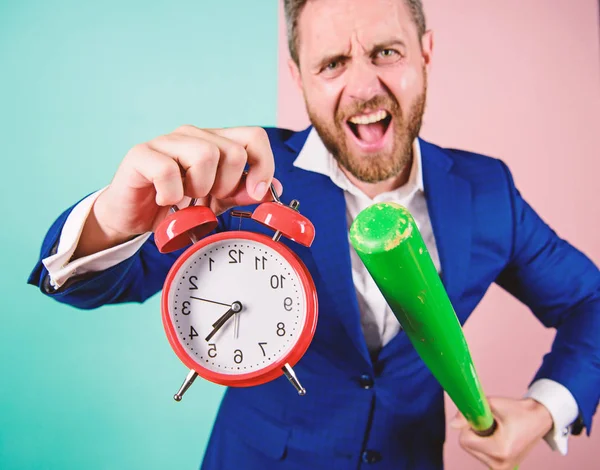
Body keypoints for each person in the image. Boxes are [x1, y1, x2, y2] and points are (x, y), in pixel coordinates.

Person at [28, 0, 600, 469]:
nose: (363, 88)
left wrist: (546, 407)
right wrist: (116, 216)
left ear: (426, 53)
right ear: (298, 75)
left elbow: (590, 301)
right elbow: (94, 284)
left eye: (386, 52)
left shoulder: (486, 190)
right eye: (332, 64)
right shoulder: (241, 180)